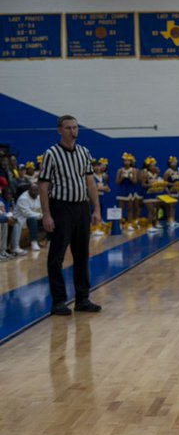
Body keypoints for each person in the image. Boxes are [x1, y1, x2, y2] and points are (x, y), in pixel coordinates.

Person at [38, 115, 102, 316]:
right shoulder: (51, 154)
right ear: (59, 130)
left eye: (75, 127)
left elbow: (91, 183)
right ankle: (58, 301)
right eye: (68, 128)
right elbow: (43, 185)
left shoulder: (84, 152)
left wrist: (96, 209)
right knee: (56, 256)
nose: (73, 131)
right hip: (61, 208)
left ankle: (82, 298)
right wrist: (47, 215)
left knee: (82, 254)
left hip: (81, 207)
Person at [10, 181, 45, 254]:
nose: (34, 192)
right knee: (32, 219)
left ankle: (46, 239)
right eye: (33, 190)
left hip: (35, 218)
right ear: (29, 190)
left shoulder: (38, 197)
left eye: (36, 190)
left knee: (48, 219)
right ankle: (34, 242)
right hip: (21, 220)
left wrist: (43, 215)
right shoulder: (23, 198)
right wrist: (41, 215)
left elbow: (42, 209)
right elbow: (27, 214)